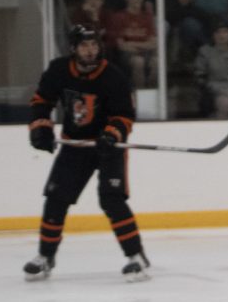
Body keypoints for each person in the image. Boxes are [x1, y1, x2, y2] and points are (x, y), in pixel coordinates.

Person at [24, 25, 149, 282]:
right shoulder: (59, 70)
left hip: (108, 148)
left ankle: (136, 257)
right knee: (56, 199)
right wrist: (41, 129)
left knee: (111, 200)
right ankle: (46, 257)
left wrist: (111, 135)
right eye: (84, 46)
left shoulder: (113, 75)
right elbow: (41, 101)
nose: (90, 51)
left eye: (94, 46)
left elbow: (124, 115)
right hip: (75, 146)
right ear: (73, 49)